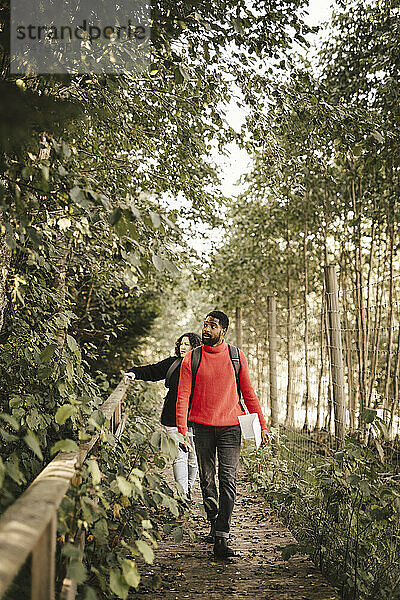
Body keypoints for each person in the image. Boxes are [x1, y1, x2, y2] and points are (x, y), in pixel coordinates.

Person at [176, 310, 269, 558]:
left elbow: (249, 394)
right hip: (202, 428)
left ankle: (222, 535)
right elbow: (183, 395)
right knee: (207, 480)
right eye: (205, 325)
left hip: (230, 428)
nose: (206, 329)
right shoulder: (192, 359)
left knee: (228, 479)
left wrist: (262, 425)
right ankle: (213, 520)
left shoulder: (236, 357)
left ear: (223, 330)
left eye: (213, 326)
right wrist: (182, 430)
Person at [124, 332, 202, 499]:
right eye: (181, 344)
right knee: (179, 456)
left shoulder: (202, 365)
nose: (183, 347)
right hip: (173, 416)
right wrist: (134, 373)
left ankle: (188, 488)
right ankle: (182, 495)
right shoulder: (172, 364)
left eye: (187, 344)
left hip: (196, 418)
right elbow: (153, 370)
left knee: (194, 458)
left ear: (195, 346)